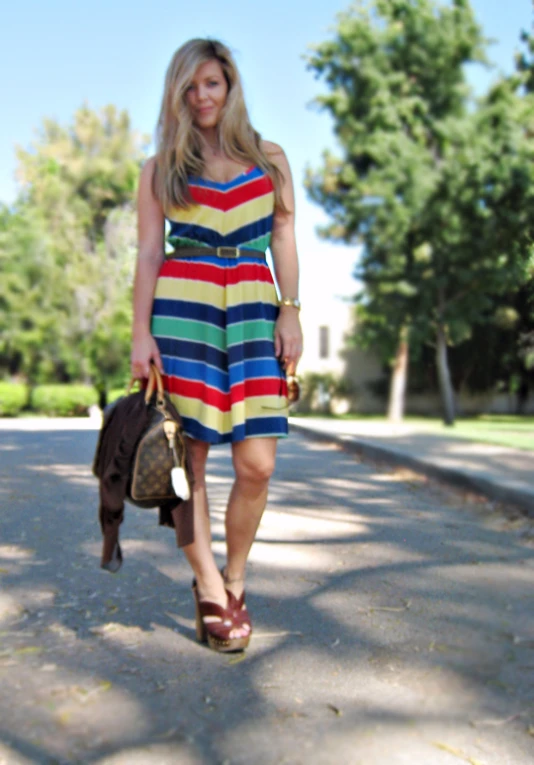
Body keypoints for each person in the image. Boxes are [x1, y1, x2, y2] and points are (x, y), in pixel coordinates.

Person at [130, 38, 303, 652]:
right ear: (177, 94)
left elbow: (282, 232)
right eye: (190, 87)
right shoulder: (162, 168)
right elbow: (151, 252)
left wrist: (291, 308)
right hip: (185, 313)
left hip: (255, 311)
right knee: (191, 462)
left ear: (229, 87)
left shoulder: (270, 156)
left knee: (258, 463)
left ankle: (236, 577)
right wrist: (140, 332)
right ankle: (208, 585)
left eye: (212, 84)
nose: (201, 97)